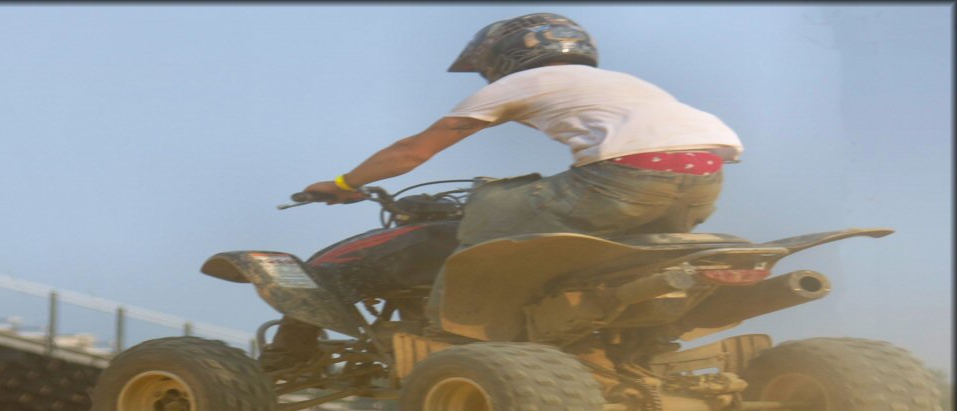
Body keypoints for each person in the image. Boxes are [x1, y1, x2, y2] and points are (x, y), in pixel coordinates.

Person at [261, 12, 743, 372]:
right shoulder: (621, 83)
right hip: (703, 180)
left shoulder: (524, 81)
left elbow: (412, 152)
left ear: (503, 56)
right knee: (596, 253)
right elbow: (653, 142)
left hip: (623, 178)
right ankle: (638, 341)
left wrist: (346, 183)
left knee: (486, 210)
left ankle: (445, 336)